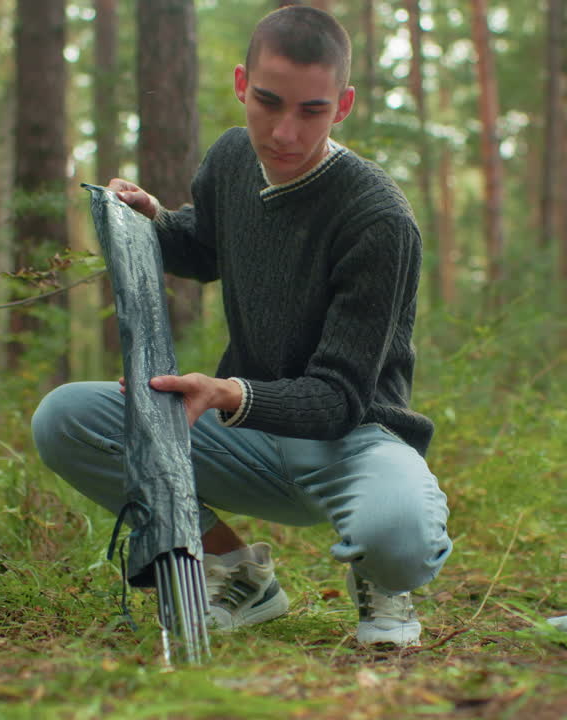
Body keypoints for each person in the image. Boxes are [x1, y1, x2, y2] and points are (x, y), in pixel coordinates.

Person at [31, 5, 451, 648]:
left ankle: (381, 576)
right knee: (66, 419)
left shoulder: (378, 220)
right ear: (240, 85)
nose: (284, 131)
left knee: (399, 538)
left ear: (342, 106)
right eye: (268, 101)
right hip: (250, 433)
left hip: (353, 438)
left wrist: (228, 392)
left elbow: (339, 397)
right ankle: (236, 572)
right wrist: (154, 221)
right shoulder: (231, 158)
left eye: (311, 110)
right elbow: (206, 246)